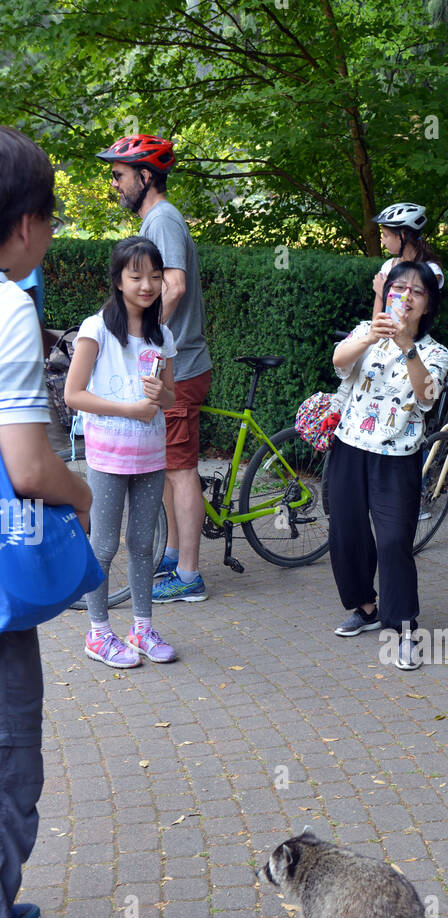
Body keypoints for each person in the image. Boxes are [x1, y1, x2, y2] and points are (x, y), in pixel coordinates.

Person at [0, 126, 91, 918]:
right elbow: (28, 466)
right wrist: (81, 497)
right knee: (10, 764)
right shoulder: (8, 308)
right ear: (25, 224)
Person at [95, 134, 212, 602]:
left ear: (146, 176)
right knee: (165, 465)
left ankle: (189, 575)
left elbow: (175, 286)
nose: (115, 184)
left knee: (181, 469)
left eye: (120, 176)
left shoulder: (162, 220)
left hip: (178, 369)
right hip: (173, 365)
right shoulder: (157, 220)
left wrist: (143, 339)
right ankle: (171, 554)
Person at [327, 260, 448, 670]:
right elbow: (338, 360)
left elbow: (428, 395)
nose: (406, 297)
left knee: (395, 542)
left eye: (417, 292)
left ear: (428, 304)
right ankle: (365, 607)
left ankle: (403, 628)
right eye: (399, 289)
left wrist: (406, 348)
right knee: (346, 531)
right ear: (388, 294)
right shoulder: (368, 331)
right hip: (350, 446)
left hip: (397, 457)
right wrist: (370, 338)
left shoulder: (435, 353)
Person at [65, 237, 178, 668]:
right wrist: (129, 409)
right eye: (136, 276)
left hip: (151, 456)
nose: (147, 285)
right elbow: (74, 394)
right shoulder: (96, 329)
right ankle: (98, 634)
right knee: (104, 545)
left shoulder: (162, 335)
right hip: (108, 457)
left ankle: (142, 628)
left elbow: (170, 399)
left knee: (143, 545)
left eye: (154, 275)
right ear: (117, 281)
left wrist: (160, 393)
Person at [371, 203, 444, 316]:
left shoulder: (431, 271)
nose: (382, 241)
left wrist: (383, 292)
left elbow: (413, 312)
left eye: (385, 235)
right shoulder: (388, 266)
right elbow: (377, 316)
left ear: (403, 235)